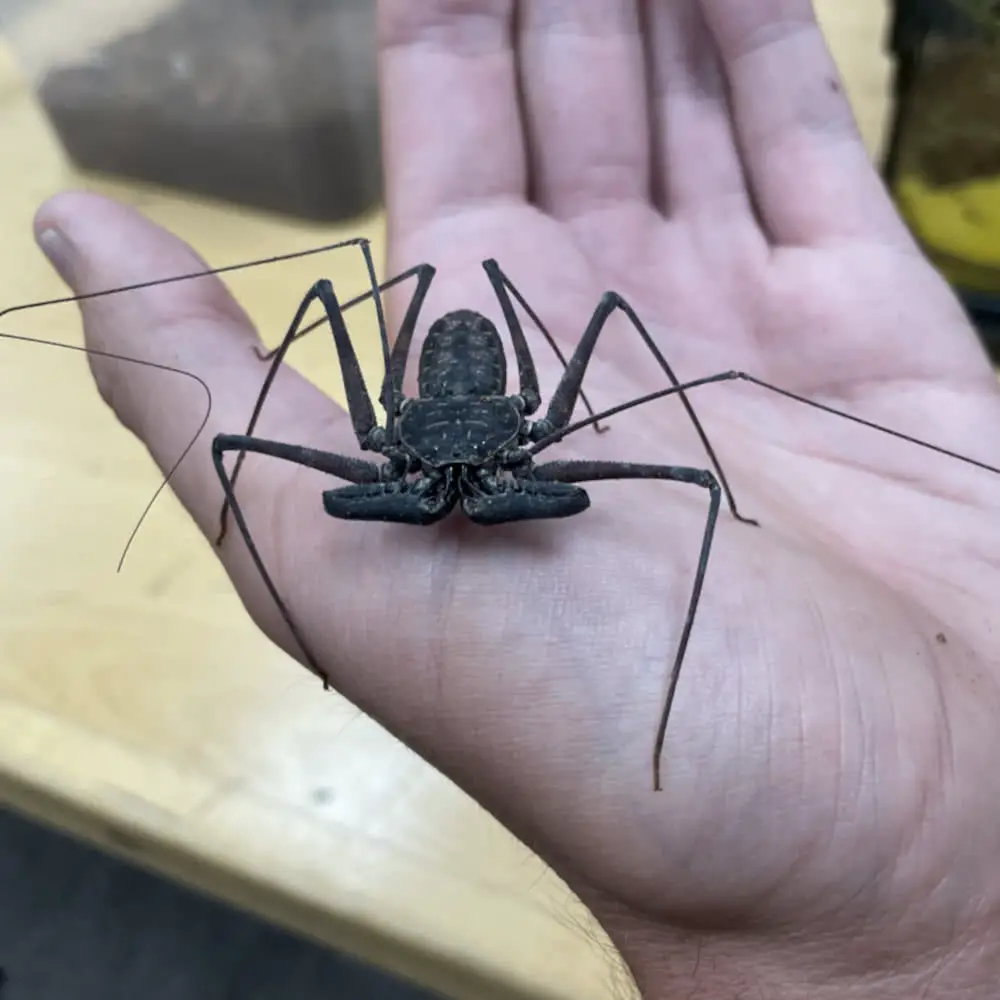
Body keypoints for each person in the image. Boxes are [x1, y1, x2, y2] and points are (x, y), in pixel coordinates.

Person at [33, 1, 1000, 997]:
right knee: (311, 329)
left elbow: (694, 478)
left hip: (490, 398)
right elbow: (235, 438)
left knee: (696, 475)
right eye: (430, 485)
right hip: (437, 394)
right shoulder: (386, 442)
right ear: (393, 447)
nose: (449, 500)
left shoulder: (532, 432)